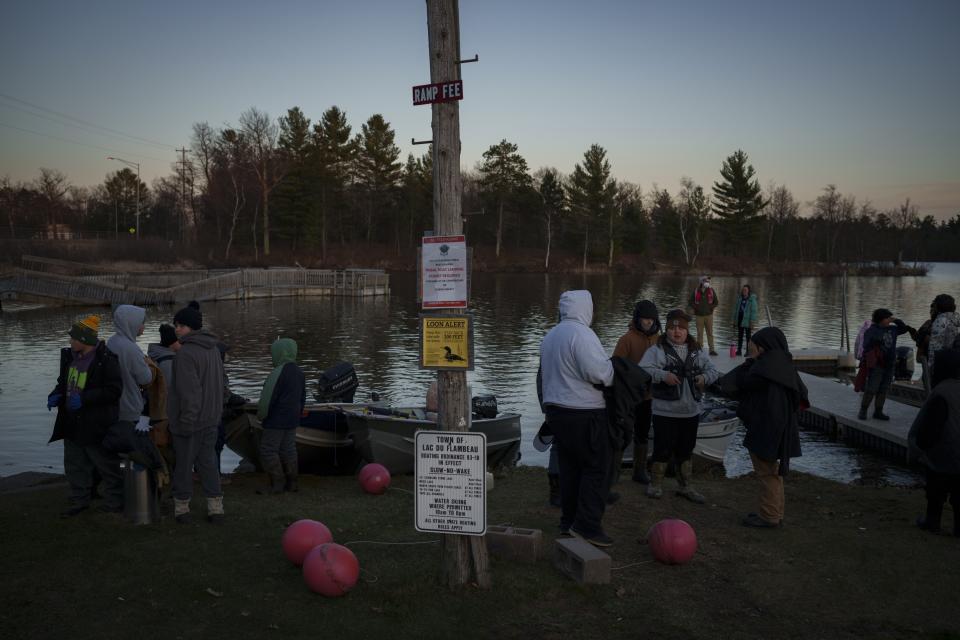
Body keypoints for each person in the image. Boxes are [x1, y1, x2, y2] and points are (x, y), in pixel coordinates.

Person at [540, 290, 615, 547]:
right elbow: (599, 373)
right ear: (586, 308)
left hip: (557, 413)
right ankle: (587, 526)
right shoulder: (582, 334)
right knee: (596, 469)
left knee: (570, 469)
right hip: (585, 412)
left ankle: (568, 521)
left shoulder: (550, 336)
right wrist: (613, 370)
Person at [719, 327, 808, 528]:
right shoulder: (785, 366)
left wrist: (749, 362)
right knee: (774, 473)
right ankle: (776, 512)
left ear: (763, 347)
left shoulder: (763, 369)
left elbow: (731, 385)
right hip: (782, 427)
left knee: (767, 473)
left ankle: (770, 517)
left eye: (754, 346)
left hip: (766, 428)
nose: (751, 349)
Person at [640, 309, 720, 503]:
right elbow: (643, 368)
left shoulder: (697, 351)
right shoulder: (656, 350)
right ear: (666, 330)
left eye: (681, 329)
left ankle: (685, 486)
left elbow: (713, 370)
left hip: (690, 412)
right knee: (662, 448)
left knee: (686, 449)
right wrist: (663, 376)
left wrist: (704, 378)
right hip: (664, 411)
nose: (677, 332)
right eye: (672, 328)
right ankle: (655, 484)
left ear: (687, 330)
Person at [47, 315, 124, 517]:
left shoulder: (107, 360)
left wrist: (85, 399)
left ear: (85, 340)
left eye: (74, 338)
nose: (70, 342)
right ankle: (79, 500)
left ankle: (115, 501)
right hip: (72, 423)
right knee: (74, 465)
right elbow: (63, 383)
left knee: (106, 465)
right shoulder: (69, 357)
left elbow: (114, 391)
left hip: (95, 424)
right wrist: (55, 394)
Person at [168, 304, 226, 524]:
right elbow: (221, 385)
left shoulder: (185, 355)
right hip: (212, 418)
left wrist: (186, 422)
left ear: (190, 327)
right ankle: (215, 507)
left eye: (180, 325)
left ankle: (182, 509)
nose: (177, 329)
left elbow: (189, 393)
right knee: (208, 463)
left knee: (183, 465)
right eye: (176, 325)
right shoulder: (213, 349)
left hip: (191, 422)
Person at [908, 348, 960, 536]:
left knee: (936, 488)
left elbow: (929, 432)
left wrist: (918, 450)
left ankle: (932, 522)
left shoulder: (941, 393)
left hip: (946, 457)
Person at [612, 299, 661, 484]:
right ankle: (614, 472)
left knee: (642, 433)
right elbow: (616, 365)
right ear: (637, 319)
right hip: (628, 397)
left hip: (648, 397)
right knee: (623, 434)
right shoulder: (626, 339)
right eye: (644, 319)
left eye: (651, 319)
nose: (648, 322)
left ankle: (639, 471)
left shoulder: (658, 339)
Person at [256, 338, 306, 494]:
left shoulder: (277, 372)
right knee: (289, 449)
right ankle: (292, 483)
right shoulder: (299, 372)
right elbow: (302, 397)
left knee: (268, 450)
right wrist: (297, 414)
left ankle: (276, 484)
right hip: (292, 419)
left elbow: (267, 398)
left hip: (276, 420)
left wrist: (261, 416)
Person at [105, 304, 153, 452]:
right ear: (131, 323)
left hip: (113, 407)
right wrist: (149, 365)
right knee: (134, 451)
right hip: (130, 408)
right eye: (141, 322)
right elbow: (145, 379)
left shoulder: (111, 342)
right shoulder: (131, 349)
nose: (143, 326)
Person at [856, 309, 915, 420]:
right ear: (881, 319)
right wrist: (877, 340)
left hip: (890, 364)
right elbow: (866, 345)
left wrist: (896, 320)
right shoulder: (871, 330)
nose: (889, 320)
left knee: (884, 388)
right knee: (872, 388)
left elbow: (903, 329)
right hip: (877, 364)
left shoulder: (892, 329)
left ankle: (878, 411)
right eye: (887, 318)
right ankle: (863, 410)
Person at [929, 294, 960, 380]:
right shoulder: (956, 317)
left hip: (942, 361)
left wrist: (930, 366)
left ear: (939, 306)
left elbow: (935, 346)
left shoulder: (940, 320)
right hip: (955, 359)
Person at [688, 275, 719, 356]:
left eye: (708, 281)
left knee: (710, 333)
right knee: (699, 333)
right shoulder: (696, 291)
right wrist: (696, 307)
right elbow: (690, 302)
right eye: (706, 281)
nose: (707, 282)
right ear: (701, 282)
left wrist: (710, 307)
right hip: (699, 316)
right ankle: (700, 349)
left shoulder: (711, 290)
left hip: (709, 316)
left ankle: (711, 350)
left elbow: (716, 302)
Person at [730, 284, 759, 356]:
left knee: (748, 337)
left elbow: (754, 311)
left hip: (748, 321)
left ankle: (748, 351)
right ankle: (739, 350)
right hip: (740, 319)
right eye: (743, 290)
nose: (744, 291)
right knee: (740, 335)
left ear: (748, 291)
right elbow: (736, 310)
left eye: (745, 290)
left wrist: (752, 322)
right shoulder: (740, 298)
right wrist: (734, 320)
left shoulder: (752, 300)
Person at [915, 303, 937, 394]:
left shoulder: (942, 325)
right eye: (930, 310)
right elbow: (918, 338)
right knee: (926, 379)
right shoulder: (928, 323)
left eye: (933, 311)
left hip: (935, 359)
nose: (930, 312)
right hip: (924, 357)